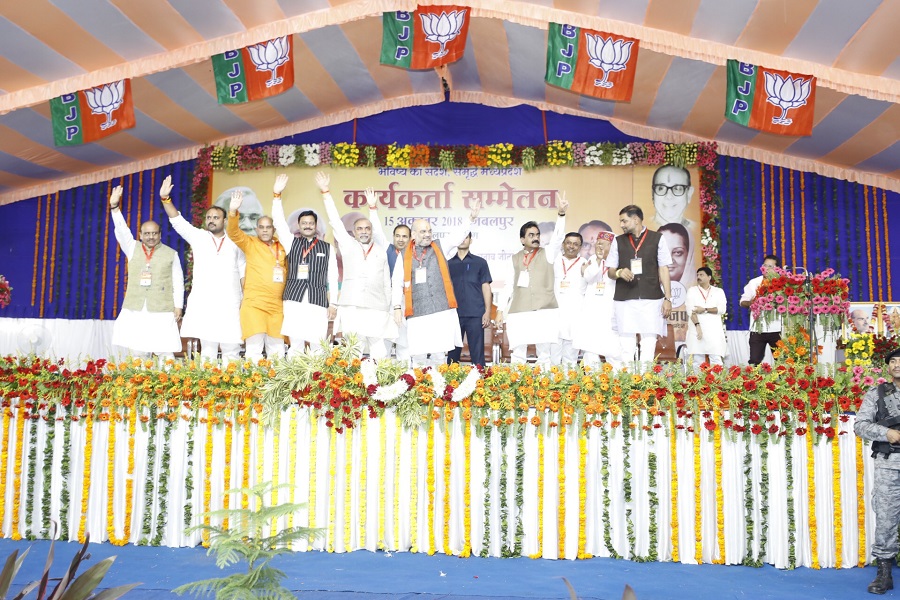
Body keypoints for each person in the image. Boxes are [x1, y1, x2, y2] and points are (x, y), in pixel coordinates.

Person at [159, 175, 245, 361]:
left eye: (216, 217)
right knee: (207, 349)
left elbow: (243, 272)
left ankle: (234, 388)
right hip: (205, 301)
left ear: (225, 220)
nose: (212, 220)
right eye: (209, 217)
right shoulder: (198, 237)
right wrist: (166, 199)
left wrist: (245, 299)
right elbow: (177, 221)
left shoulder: (236, 242)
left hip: (230, 302)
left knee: (231, 348)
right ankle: (210, 387)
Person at [316, 172, 395, 358]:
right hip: (351, 305)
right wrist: (326, 192)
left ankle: (379, 381)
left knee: (378, 347)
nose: (364, 232)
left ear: (372, 231)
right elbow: (335, 221)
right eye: (360, 228)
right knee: (353, 347)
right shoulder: (348, 245)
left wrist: (373, 207)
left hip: (377, 305)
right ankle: (355, 384)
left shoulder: (380, 249)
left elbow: (386, 283)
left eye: (368, 228)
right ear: (353, 232)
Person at [391, 208, 478, 366]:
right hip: (417, 312)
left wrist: (470, 218)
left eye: (430, 231)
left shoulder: (439, 246)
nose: (428, 234)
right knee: (418, 356)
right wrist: (397, 307)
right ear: (414, 234)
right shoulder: (403, 255)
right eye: (423, 231)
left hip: (441, 310)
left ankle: (439, 389)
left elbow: (456, 236)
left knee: (439, 355)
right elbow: (396, 283)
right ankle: (420, 388)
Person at [108, 185, 184, 359]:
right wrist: (115, 207)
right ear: (140, 234)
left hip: (162, 309)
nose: (151, 237)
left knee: (165, 352)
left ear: (160, 235)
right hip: (136, 308)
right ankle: (138, 385)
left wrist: (178, 306)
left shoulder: (171, 253)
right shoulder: (132, 247)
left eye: (154, 233)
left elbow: (178, 282)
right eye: (147, 233)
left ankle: (167, 384)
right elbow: (121, 230)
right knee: (137, 352)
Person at [496, 195, 568, 368]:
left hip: (545, 310)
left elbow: (558, 238)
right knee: (518, 354)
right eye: (531, 235)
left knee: (544, 354)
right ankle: (517, 388)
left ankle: (545, 391)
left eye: (537, 234)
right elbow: (507, 287)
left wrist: (561, 215)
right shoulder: (513, 259)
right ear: (522, 239)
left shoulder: (548, 253)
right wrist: (500, 310)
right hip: (519, 311)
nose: (536, 238)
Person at [271, 177, 339, 357]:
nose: (308, 226)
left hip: (318, 301)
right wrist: (277, 195)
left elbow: (332, 276)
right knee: (296, 346)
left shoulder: (327, 248)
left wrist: (333, 303)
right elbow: (277, 221)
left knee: (318, 345)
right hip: (293, 299)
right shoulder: (291, 242)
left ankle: (316, 383)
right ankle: (295, 384)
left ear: (316, 226)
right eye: (304, 223)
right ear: (298, 226)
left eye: (311, 223)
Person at [853, 348, 900, 595]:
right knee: (886, 517)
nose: (897, 365)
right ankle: (884, 571)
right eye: (893, 361)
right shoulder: (877, 393)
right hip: (889, 462)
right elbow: (859, 424)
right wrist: (886, 433)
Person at [225, 179, 287, 361]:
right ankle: (253, 388)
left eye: (269, 227)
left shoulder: (282, 246)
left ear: (273, 229)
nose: (265, 230)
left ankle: (277, 388)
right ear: (257, 229)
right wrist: (233, 211)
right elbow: (233, 232)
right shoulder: (250, 243)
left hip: (277, 306)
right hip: (254, 304)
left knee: (277, 351)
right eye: (262, 227)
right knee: (253, 350)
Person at [607, 205, 673, 368]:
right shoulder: (618, 241)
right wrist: (619, 272)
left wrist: (668, 298)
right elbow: (610, 271)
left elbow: (663, 269)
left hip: (651, 299)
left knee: (649, 343)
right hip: (625, 299)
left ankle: (645, 382)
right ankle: (628, 382)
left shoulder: (657, 238)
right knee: (626, 344)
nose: (621, 224)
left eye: (624, 221)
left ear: (635, 219)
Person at [573, 231, 621, 369]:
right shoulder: (592, 259)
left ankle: (617, 383)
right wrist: (599, 260)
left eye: (602, 244)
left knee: (613, 350)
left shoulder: (618, 261)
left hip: (610, 311)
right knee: (590, 349)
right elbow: (588, 276)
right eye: (597, 244)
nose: (598, 247)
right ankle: (593, 381)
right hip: (592, 311)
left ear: (612, 247)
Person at [447, 233, 493, 367]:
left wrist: (488, 311)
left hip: (476, 314)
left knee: (477, 355)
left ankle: (480, 383)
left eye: (465, 237)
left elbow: (486, 287)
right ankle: (450, 385)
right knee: (452, 355)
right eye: (460, 237)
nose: (462, 239)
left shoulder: (480, 262)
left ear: (471, 240)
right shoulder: (448, 264)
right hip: (454, 314)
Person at [739, 255, 782, 365]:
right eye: (765, 265)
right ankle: (755, 382)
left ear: (777, 269)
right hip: (757, 329)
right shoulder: (754, 282)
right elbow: (742, 301)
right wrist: (753, 302)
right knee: (754, 361)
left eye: (770, 266)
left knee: (782, 362)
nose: (766, 268)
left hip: (777, 329)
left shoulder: (783, 283)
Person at [554, 231, 587, 365]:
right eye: (568, 243)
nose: (571, 246)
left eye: (575, 244)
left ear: (580, 247)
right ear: (563, 244)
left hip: (575, 314)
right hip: (555, 313)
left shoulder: (586, 264)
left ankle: (569, 383)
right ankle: (550, 385)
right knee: (553, 357)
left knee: (571, 358)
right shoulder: (554, 261)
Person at [684, 267, 727, 367]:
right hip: (697, 329)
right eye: (697, 275)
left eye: (701, 275)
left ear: (709, 277)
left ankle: (716, 382)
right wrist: (698, 326)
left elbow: (722, 309)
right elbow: (690, 310)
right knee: (697, 360)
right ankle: (698, 382)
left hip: (714, 330)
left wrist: (704, 309)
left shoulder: (718, 291)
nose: (698, 277)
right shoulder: (692, 291)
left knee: (716, 359)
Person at [650, 165, 695, 230]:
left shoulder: (695, 228)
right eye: (661, 188)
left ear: (689, 194)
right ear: (653, 193)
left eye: (677, 188)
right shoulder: (642, 227)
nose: (669, 196)